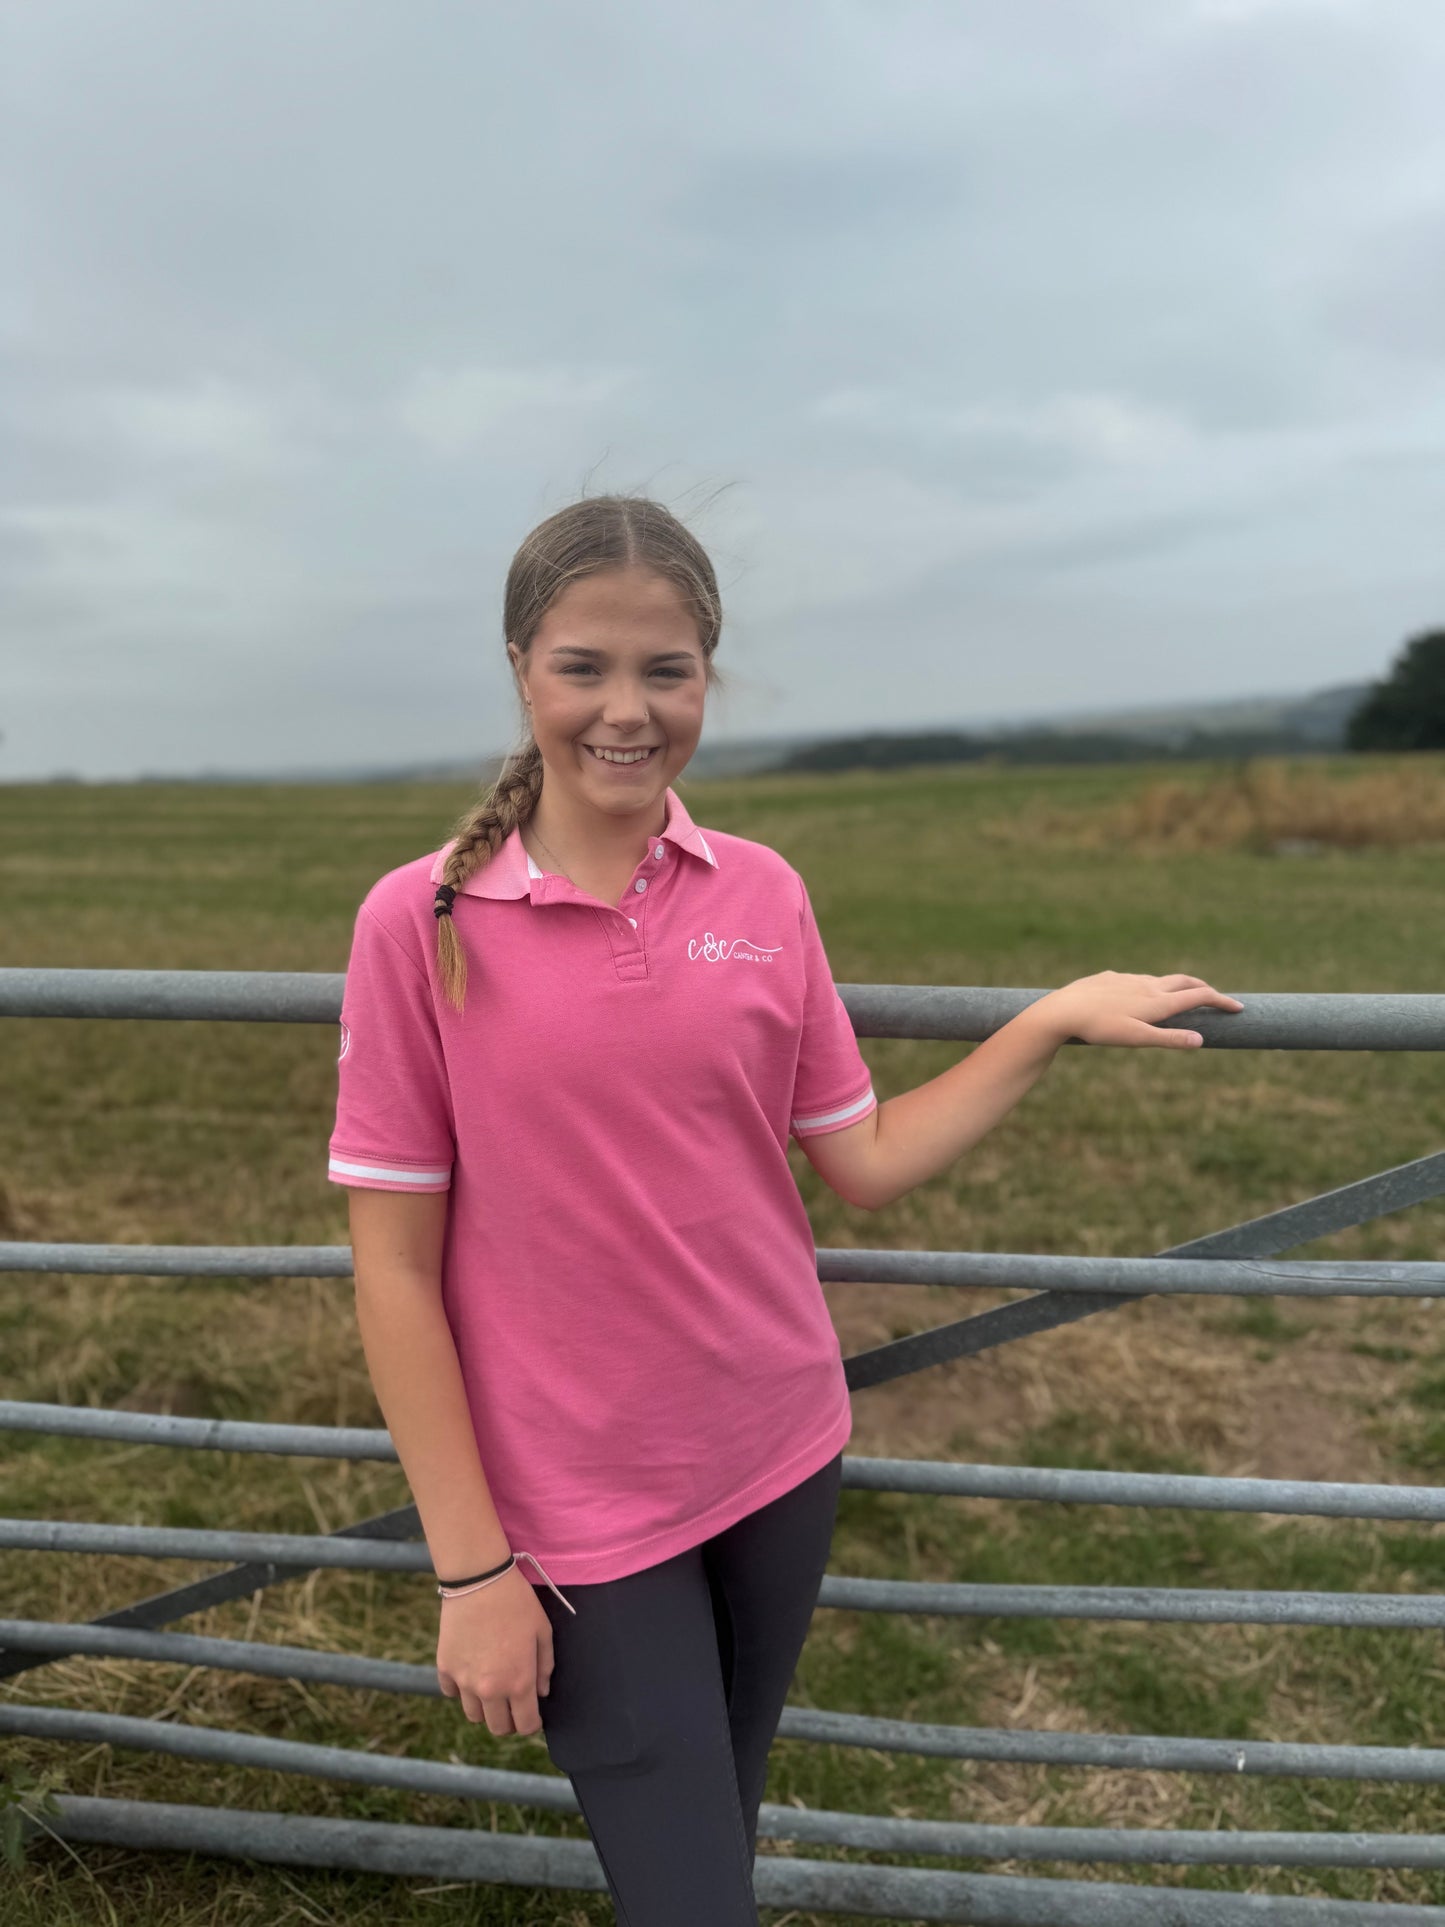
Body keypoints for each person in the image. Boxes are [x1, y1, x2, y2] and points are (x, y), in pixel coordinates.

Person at [326, 492, 1244, 1924]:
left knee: (706, 1849)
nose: (626, 711)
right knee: (694, 1893)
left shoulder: (760, 890)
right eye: (585, 667)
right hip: (575, 1507)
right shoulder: (422, 924)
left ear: (707, 676)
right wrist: (472, 1565)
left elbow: (858, 1158)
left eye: (665, 671)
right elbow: (391, 1269)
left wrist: (1044, 1021)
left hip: (776, 1447)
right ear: (520, 668)